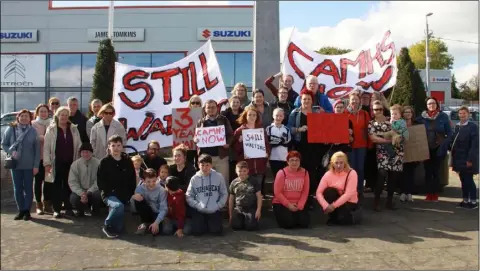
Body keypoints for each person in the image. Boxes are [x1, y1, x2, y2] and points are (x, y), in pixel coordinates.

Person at [288, 90, 326, 208]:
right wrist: (298, 130)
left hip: (316, 147)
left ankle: (310, 197)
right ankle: (301, 197)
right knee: (302, 172)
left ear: (312, 100)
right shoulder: (295, 112)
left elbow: (326, 125)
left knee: (313, 172)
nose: (306, 101)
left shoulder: (317, 111)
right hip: (301, 146)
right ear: (300, 100)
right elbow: (289, 128)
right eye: (304, 99)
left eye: (309, 99)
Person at [1, 109, 40, 221]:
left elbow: (37, 150)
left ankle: (27, 211)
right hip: (15, 164)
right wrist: (10, 151)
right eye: (22, 116)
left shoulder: (33, 131)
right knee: (17, 188)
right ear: (18, 117)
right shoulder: (11, 129)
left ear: (30, 118)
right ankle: (21, 210)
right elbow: (3, 144)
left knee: (28, 188)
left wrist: (36, 165)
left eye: (26, 116)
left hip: (29, 165)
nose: (24, 118)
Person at [44, 106, 82, 218]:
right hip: (56, 162)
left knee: (69, 185)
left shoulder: (74, 128)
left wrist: (79, 161)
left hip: (71, 162)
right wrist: (47, 163)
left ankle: (69, 208)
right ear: (57, 116)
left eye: (66, 114)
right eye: (62, 114)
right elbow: (46, 148)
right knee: (56, 186)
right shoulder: (51, 129)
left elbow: (79, 145)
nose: (64, 117)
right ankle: (57, 209)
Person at [97, 135, 137, 238]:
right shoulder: (104, 162)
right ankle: (106, 225)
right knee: (118, 206)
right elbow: (100, 181)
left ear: (122, 146)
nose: (116, 148)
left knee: (119, 228)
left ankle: (113, 228)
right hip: (109, 194)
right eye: (113, 145)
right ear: (109, 147)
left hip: (124, 194)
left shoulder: (127, 161)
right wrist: (107, 192)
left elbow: (132, 178)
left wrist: (131, 194)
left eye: (118, 145)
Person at [368, 101, 404, 211]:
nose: (378, 111)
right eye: (375, 109)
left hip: (396, 151)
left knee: (393, 177)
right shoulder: (371, 123)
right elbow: (373, 138)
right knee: (381, 174)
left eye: (380, 109)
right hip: (382, 152)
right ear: (372, 111)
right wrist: (388, 140)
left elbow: (400, 132)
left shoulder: (391, 120)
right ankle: (377, 201)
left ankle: (389, 201)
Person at [417, 97, 452, 202]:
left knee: (436, 172)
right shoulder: (421, 118)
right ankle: (429, 193)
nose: (431, 105)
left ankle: (435, 194)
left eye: (433, 103)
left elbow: (449, 133)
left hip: (438, 148)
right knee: (427, 171)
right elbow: (412, 126)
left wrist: (444, 145)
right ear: (426, 106)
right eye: (429, 104)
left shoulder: (443, 116)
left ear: (437, 104)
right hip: (426, 148)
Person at [185, 154, 228, 236]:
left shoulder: (219, 177)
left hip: (214, 209)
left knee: (216, 231)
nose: (204, 168)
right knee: (197, 231)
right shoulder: (194, 179)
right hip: (200, 209)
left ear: (211, 165)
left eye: (207, 165)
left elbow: (224, 193)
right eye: (202, 165)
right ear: (198, 165)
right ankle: (202, 223)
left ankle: (210, 223)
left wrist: (218, 205)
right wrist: (197, 205)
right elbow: (188, 196)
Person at [233, 107, 271, 195]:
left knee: (257, 191)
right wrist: (239, 141)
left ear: (257, 117)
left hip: (259, 166)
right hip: (246, 167)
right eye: (250, 114)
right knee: (246, 191)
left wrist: (267, 153)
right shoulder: (239, 131)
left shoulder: (261, 130)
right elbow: (235, 149)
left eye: (254, 115)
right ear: (245, 116)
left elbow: (267, 145)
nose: (252, 117)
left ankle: (258, 208)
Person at [316, 151, 361, 225]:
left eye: (341, 163)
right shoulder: (328, 174)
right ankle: (333, 217)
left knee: (344, 221)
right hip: (335, 200)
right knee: (329, 191)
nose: (339, 165)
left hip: (349, 202)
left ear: (345, 163)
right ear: (332, 164)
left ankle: (340, 217)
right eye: (336, 163)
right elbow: (318, 192)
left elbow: (348, 194)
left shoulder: (352, 173)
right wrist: (326, 206)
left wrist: (333, 206)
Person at [195, 99, 233, 184]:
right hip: (205, 158)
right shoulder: (200, 122)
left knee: (223, 181)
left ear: (217, 108)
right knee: (207, 182)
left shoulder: (223, 120)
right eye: (209, 107)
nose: (211, 109)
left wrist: (228, 144)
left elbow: (230, 134)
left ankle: (224, 197)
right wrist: (195, 139)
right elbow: (196, 136)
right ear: (205, 109)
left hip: (221, 157)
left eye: (213, 107)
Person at [450, 106, 478, 209]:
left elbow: (474, 145)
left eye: (464, 114)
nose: (462, 115)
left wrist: (470, 159)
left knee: (469, 180)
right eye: (460, 114)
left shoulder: (473, 127)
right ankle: (465, 200)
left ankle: (473, 201)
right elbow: (453, 141)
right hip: (458, 158)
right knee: (463, 180)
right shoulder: (457, 126)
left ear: (468, 114)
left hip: (467, 158)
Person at [272, 151, 310, 229]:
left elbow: (305, 191)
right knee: (288, 224)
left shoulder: (305, 173)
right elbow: (277, 193)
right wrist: (289, 205)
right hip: (282, 203)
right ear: (287, 162)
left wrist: (300, 205)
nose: (294, 162)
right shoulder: (282, 173)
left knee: (305, 224)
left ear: (300, 161)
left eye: (297, 160)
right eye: (292, 160)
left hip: (298, 203)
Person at [345, 92, 370, 195]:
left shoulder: (364, 113)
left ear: (359, 100)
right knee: (351, 168)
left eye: (356, 99)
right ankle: (351, 190)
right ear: (349, 101)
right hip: (349, 145)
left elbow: (369, 129)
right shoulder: (345, 113)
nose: (354, 101)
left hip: (361, 145)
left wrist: (370, 144)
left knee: (360, 168)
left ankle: (359, 190)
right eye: (352, 99)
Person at [68, 142, 103, 217]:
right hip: (81, 192)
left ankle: (96, 210)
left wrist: (89, 191)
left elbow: (99, 181)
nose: (86, 154)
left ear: (91, 153)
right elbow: (72, 182)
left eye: (88, 152)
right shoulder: (75, 165)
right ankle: (80, 210)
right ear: (80, 153)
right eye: (83, 152)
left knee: (98, 195)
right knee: (73, 198)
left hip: (93, 191)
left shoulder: (98, 163)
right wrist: (81, 193)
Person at [131, 168, 168, 236]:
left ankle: (149, 225)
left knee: (156, 232)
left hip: (157, 213)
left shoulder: (161, 190)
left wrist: (156, 222)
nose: (151, 184)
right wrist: (133, 196)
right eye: (148, 181)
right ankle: (145, 222)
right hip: (146, 211)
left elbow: (164, 209)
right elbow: (131, 195)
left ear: (157, 179)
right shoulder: (140, 188)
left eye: (154, 181)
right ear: (143, 181)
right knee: (138, 197)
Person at [228, 161, 262, 231]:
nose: (242, 173)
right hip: (239, 208)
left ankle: (249, 221)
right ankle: (242, 220)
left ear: (248, 171)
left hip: (250, 208)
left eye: (244, 171)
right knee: (235, 226)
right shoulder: (234, 183)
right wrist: (231, 214)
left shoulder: (253, 181)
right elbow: (231, 199)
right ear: (236, 171)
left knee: (251, 227)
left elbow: (259, 196)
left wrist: (258, 210)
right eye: (239, 171)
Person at [31, 104, 53, 215]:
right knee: (38, 182)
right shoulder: (33, 124)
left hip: (49, 158)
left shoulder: (52, 123)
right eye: (41, 111)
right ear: (37, 113)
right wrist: (37, 138)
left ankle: (47, 204)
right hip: (38, 158)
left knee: (48, 182)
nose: (43, 113)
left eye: (45, 111)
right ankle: (38, 205)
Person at [221, 95, 244, 181]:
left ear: (240, 103)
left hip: (240, 142)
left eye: (237, 102)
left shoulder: (243, 113)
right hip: (228, 143)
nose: (235, 104)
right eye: (233, 102)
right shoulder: (224, 114)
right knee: (230, 165)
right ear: (230, 103)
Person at [400, 106, 420, 203]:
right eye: (405, 112)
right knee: (403, 173)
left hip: (413, 153)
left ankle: (409, 193)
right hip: (401, 152)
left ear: (412, 114)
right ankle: (403, 192)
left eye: (409, 112)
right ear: (402, 113)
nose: (407, 114)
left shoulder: (417, 124)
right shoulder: (399, 124)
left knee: (411, 173)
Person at [267, 108, 291, 178]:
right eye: (276, 115)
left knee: (283, 178)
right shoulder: (269, 129)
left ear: (283, 117)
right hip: (273, 158)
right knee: (276, 178)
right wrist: (280, 141)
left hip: (284, 158)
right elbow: (268, 143)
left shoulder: (286, 129)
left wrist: (276, 140)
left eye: (280, 116)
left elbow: (288, 143)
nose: (278, 118)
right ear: (273, 116)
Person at [187, 95, 202, 168]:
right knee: (188, 164)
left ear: (200, 104)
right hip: (188, 144)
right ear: (190, 104)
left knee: (199, 163)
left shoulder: (204, 114)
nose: (195, 104)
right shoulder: (183, 114)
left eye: (197, 103)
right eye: (193, 103)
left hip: (200, 144)